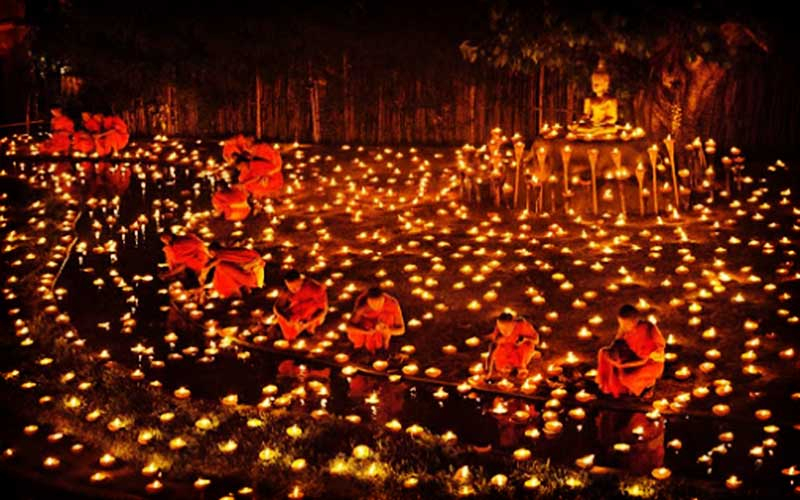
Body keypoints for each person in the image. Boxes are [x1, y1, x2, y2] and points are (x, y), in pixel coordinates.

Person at [596, 304, 666, 398]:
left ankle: (647, 386)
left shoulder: (648, 330)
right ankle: (610, 387)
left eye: (625, 324)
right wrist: (613, 354)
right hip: (633, 357)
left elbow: (647, 358)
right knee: (603, 352)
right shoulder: (624, 328)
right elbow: (617, 343)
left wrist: (623, 365)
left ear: (635, 321)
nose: (623, 327)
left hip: (649, 363)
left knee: (627, 377)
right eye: (621, 324)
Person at [273, 269, 328, 341]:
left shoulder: (314, 288)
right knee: (282, 320)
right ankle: (296, 332)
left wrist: (309, 322)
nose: (293, 290)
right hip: (298, 308)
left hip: (314, 308)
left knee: (307, 322)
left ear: (301, 281)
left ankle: (309, 328)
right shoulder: (287, 291)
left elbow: (323, 310)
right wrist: (287, 319)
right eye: (290, 287)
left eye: (296, 287)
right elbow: (276, 307)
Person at [346, 287, 405, 353]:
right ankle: (364, 349)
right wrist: (365, 331)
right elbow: (349, 327)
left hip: (383, 327)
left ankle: (384, 347)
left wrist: (388, 331)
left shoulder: (392, 304)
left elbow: (401, 330)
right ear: (368, 301)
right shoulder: (362, 307)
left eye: (379, 302)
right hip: (367, 330)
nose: (377, 305)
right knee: (367, 325)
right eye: (373, 303)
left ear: (383, 298)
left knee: (386, 317)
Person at [486, 312, 540, 379]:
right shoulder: (499, 332)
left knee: (523, 352)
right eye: (501, 329)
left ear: (513, 324)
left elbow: (536, 340)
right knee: (501, 359)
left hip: (521, 347)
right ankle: (509, 366)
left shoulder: (521, 326)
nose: (503, 332)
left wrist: (525, 339)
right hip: (507, 347)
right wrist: (489, 371)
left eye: (506, 329)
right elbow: (492, 352)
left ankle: (521, 366)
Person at [199, 244, 265, 299]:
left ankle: (234, 296)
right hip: (252, 279)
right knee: (222, 270)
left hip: (253, 279)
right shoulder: (228, 254)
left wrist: (204, 273)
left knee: (221, 268)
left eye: (211, 255)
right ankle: (237, 293)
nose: (211, 257)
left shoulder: (223, 255)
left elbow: (217, 261)